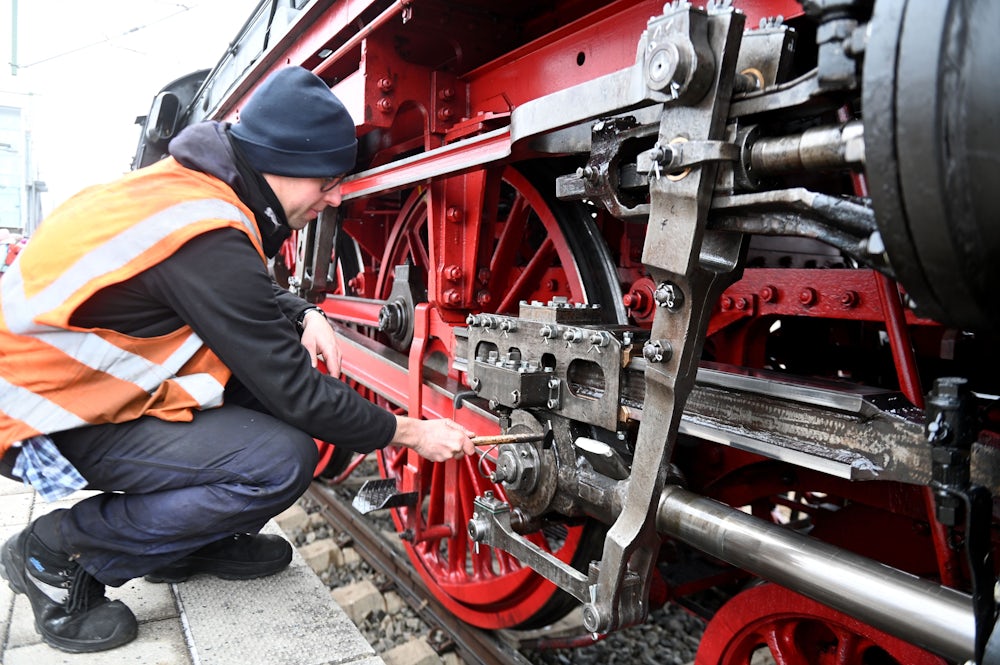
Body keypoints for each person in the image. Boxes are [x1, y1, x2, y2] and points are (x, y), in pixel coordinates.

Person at [0, 66, 475, 654]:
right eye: (325, 181)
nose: (333, 197)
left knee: (260, 412)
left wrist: (304, 313)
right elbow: (296, 391)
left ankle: (185, 542)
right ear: (277, 162)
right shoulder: (207, 232)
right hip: (39, 419)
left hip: (70, 391)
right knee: (279, 460)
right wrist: (410, 432)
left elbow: (227, 286)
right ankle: (56, 552)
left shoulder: (194, 191)